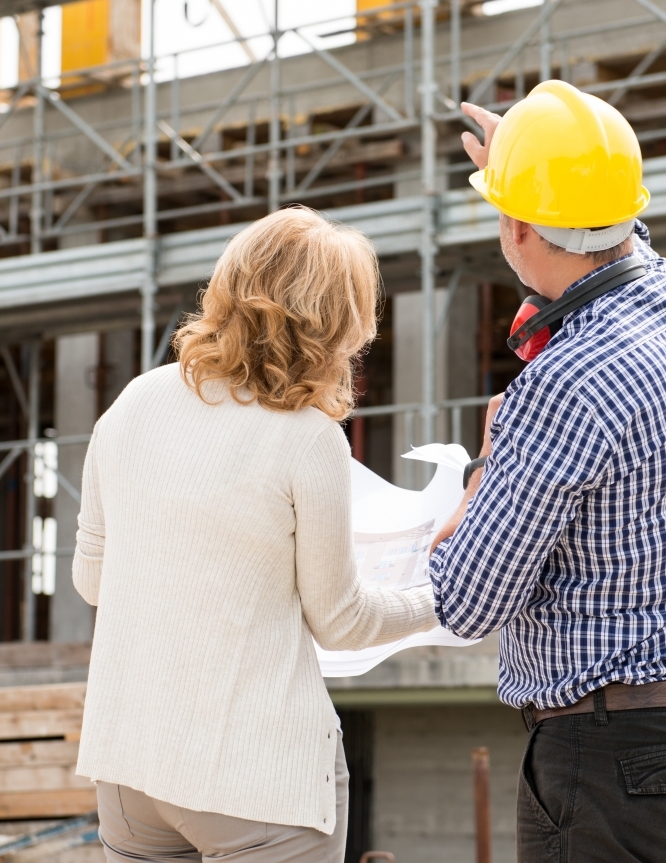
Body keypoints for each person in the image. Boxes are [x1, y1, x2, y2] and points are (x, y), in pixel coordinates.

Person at [429, 80, 666, 863]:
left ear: (514, 226)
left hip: (618, 763)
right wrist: (542, 157)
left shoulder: (561, 381)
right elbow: (614, 234)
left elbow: (468, 601)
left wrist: (483, 474)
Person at [70, 206, 437, 863]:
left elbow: (92, 580)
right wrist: (441, 596)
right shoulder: (309, 437)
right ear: (338, 323)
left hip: (131, 767)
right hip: (259, 782)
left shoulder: (133, 402)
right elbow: (343, 621)